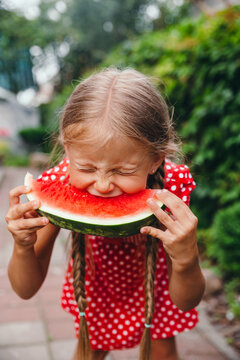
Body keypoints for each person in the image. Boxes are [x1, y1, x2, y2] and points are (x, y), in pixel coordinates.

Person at [6, 67, 205, 360]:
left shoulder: (171, 188)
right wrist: (22, 247)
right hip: (95, 292)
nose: (101, 186)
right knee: (90, 351)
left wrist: (187, 257)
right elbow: (25, 290)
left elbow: (187, 301)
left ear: (155, 160)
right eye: (85, 168)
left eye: (122, 171)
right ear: (67, 148)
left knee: (161, 350)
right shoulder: (58, 182)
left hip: (158, 291)